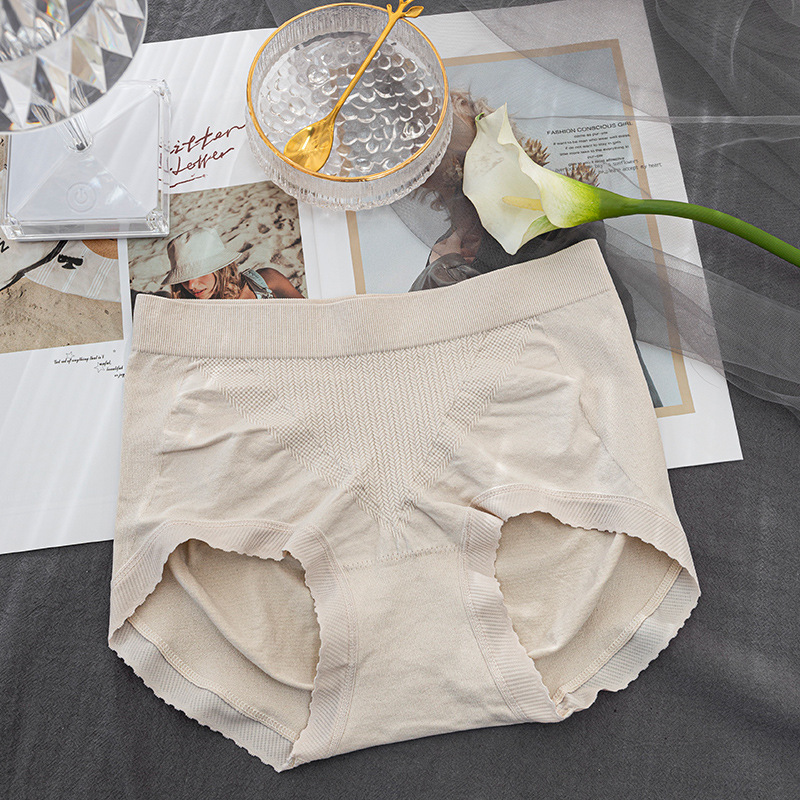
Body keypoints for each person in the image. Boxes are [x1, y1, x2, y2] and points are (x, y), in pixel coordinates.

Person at [161, 227, 304, 300]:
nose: (191, 285)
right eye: (183, 278)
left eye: (199, 273)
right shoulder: (192, 312)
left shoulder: (266, 280)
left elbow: (310, 316)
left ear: (219, 268)